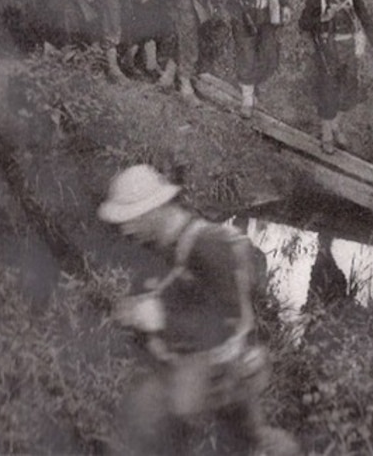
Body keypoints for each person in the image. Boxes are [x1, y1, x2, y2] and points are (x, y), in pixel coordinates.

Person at [97, 164, 300, 456]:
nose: (126, 228)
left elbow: (228, 318)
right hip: (190, 367)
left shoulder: (207, 245)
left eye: (132, 219)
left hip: (225, 370)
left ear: (154, 211)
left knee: (248, 442)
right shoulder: (161, 244)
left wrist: (161, 317)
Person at [298, 0, 373, 153]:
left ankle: (336, 125)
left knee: (350, 90)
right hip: (327, 50)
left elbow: (365, 18)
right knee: (328, 92)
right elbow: (303, 24)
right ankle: (327, 135)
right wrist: (323, 18)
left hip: (349, 49)